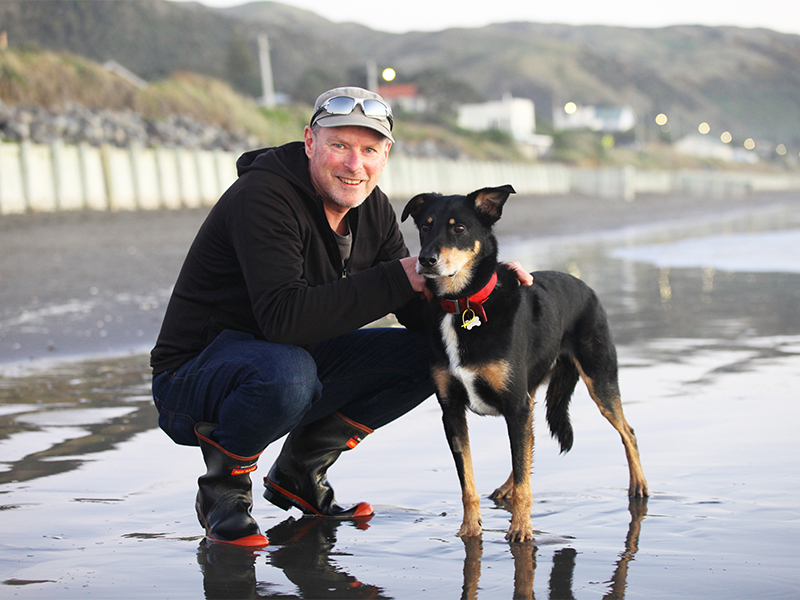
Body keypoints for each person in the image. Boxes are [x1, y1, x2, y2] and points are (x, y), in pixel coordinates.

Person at [150, 86, 435, 547]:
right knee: (288, 372)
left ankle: (300, 471)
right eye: (339, 145)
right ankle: (223, 493)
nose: (353, 164)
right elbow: (284, 319)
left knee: (434, 354)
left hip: (289, 363)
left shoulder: (374, 208)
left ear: (386, 156)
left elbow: (418, 313)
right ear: (310, 142)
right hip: (194, 378)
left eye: (368, 150)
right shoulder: (263, 195)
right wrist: (397, 277)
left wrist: (486, 297)